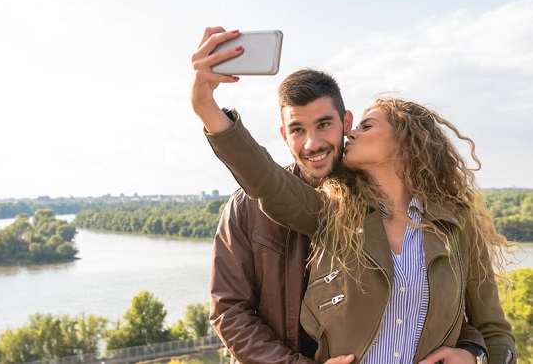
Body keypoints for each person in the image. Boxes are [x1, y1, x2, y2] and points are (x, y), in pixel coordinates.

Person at [195, 27, 496, 364]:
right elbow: (229, 311)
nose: (312, 143)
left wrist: (474, 354)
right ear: (283, 134)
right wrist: (207, 107)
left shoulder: (441, 220)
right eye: (297, 129)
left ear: (345, 121)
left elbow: (465, 320)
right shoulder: (263, 207)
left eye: (325, 124)